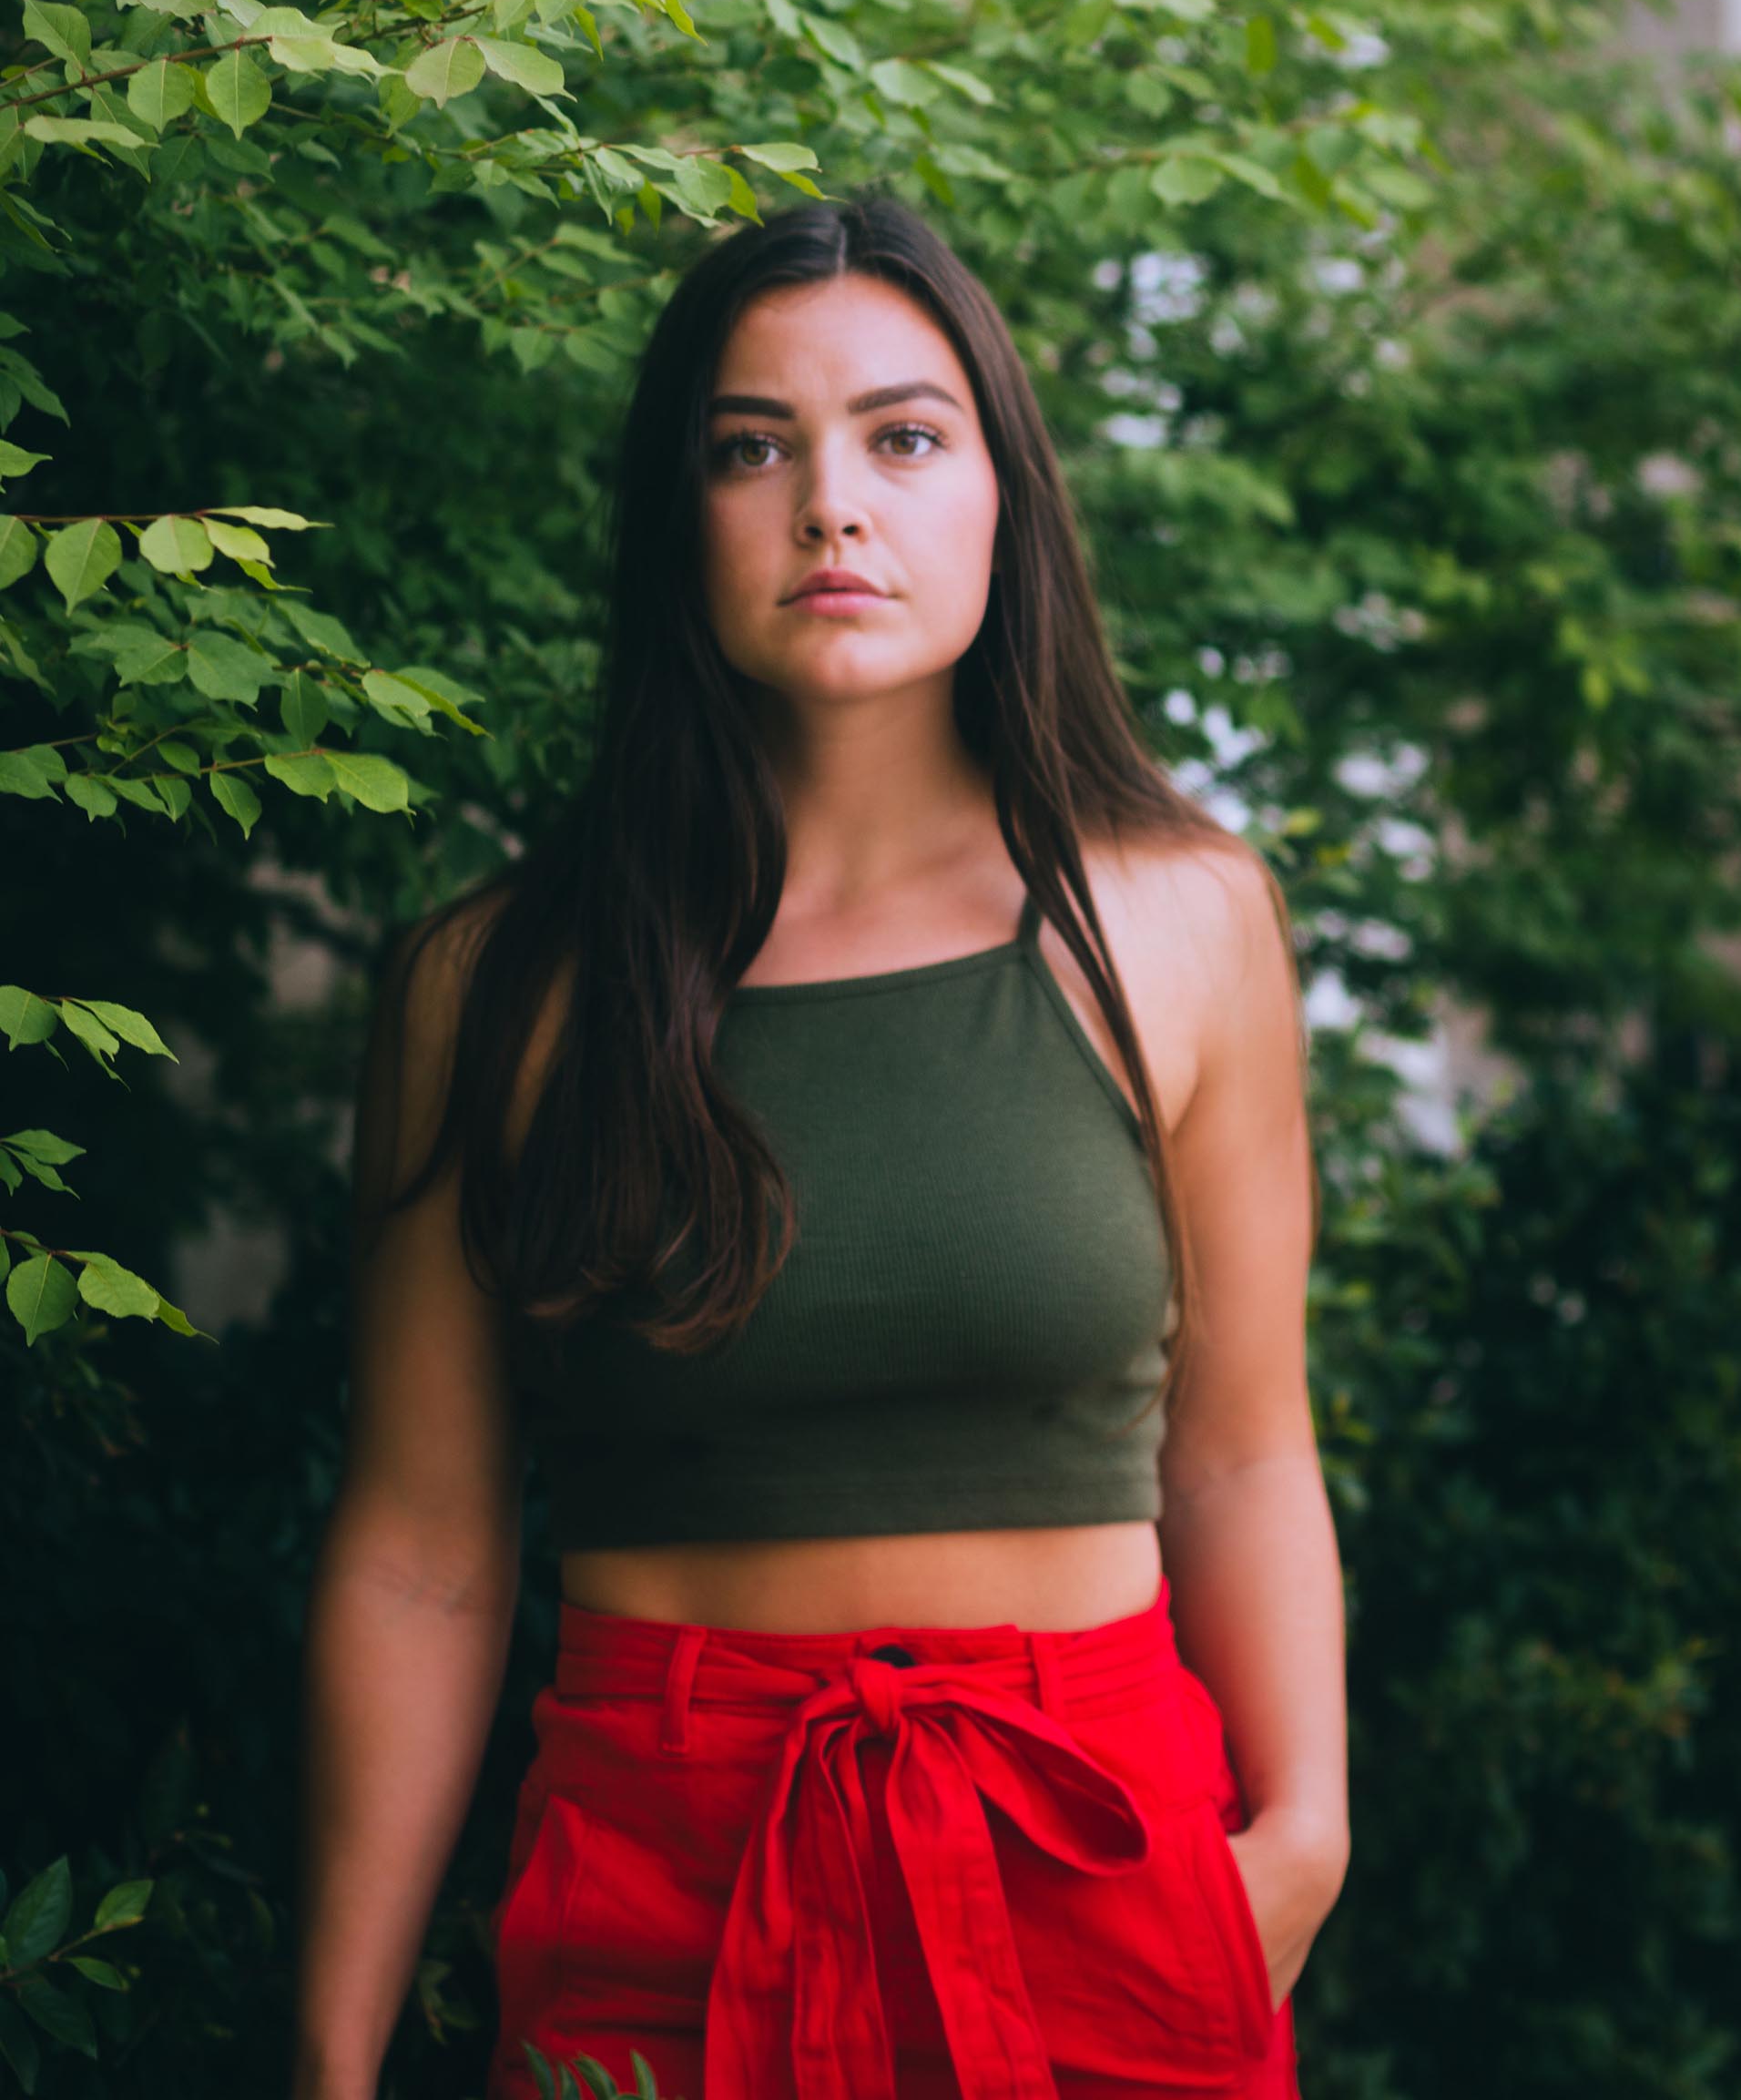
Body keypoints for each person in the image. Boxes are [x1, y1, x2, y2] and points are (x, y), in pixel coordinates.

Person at [291, 191, 1349, 2100]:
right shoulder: (497, 985)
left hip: (1098, 1849)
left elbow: (1247, 1437)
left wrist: (1303, 1841)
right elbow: (425, 1549)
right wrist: (335, 2053)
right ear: (674, 515)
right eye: (749, 446)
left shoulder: (1182, 923)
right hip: (661, 1870)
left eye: (902, 435)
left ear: (1002, 493)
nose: (829, 506)